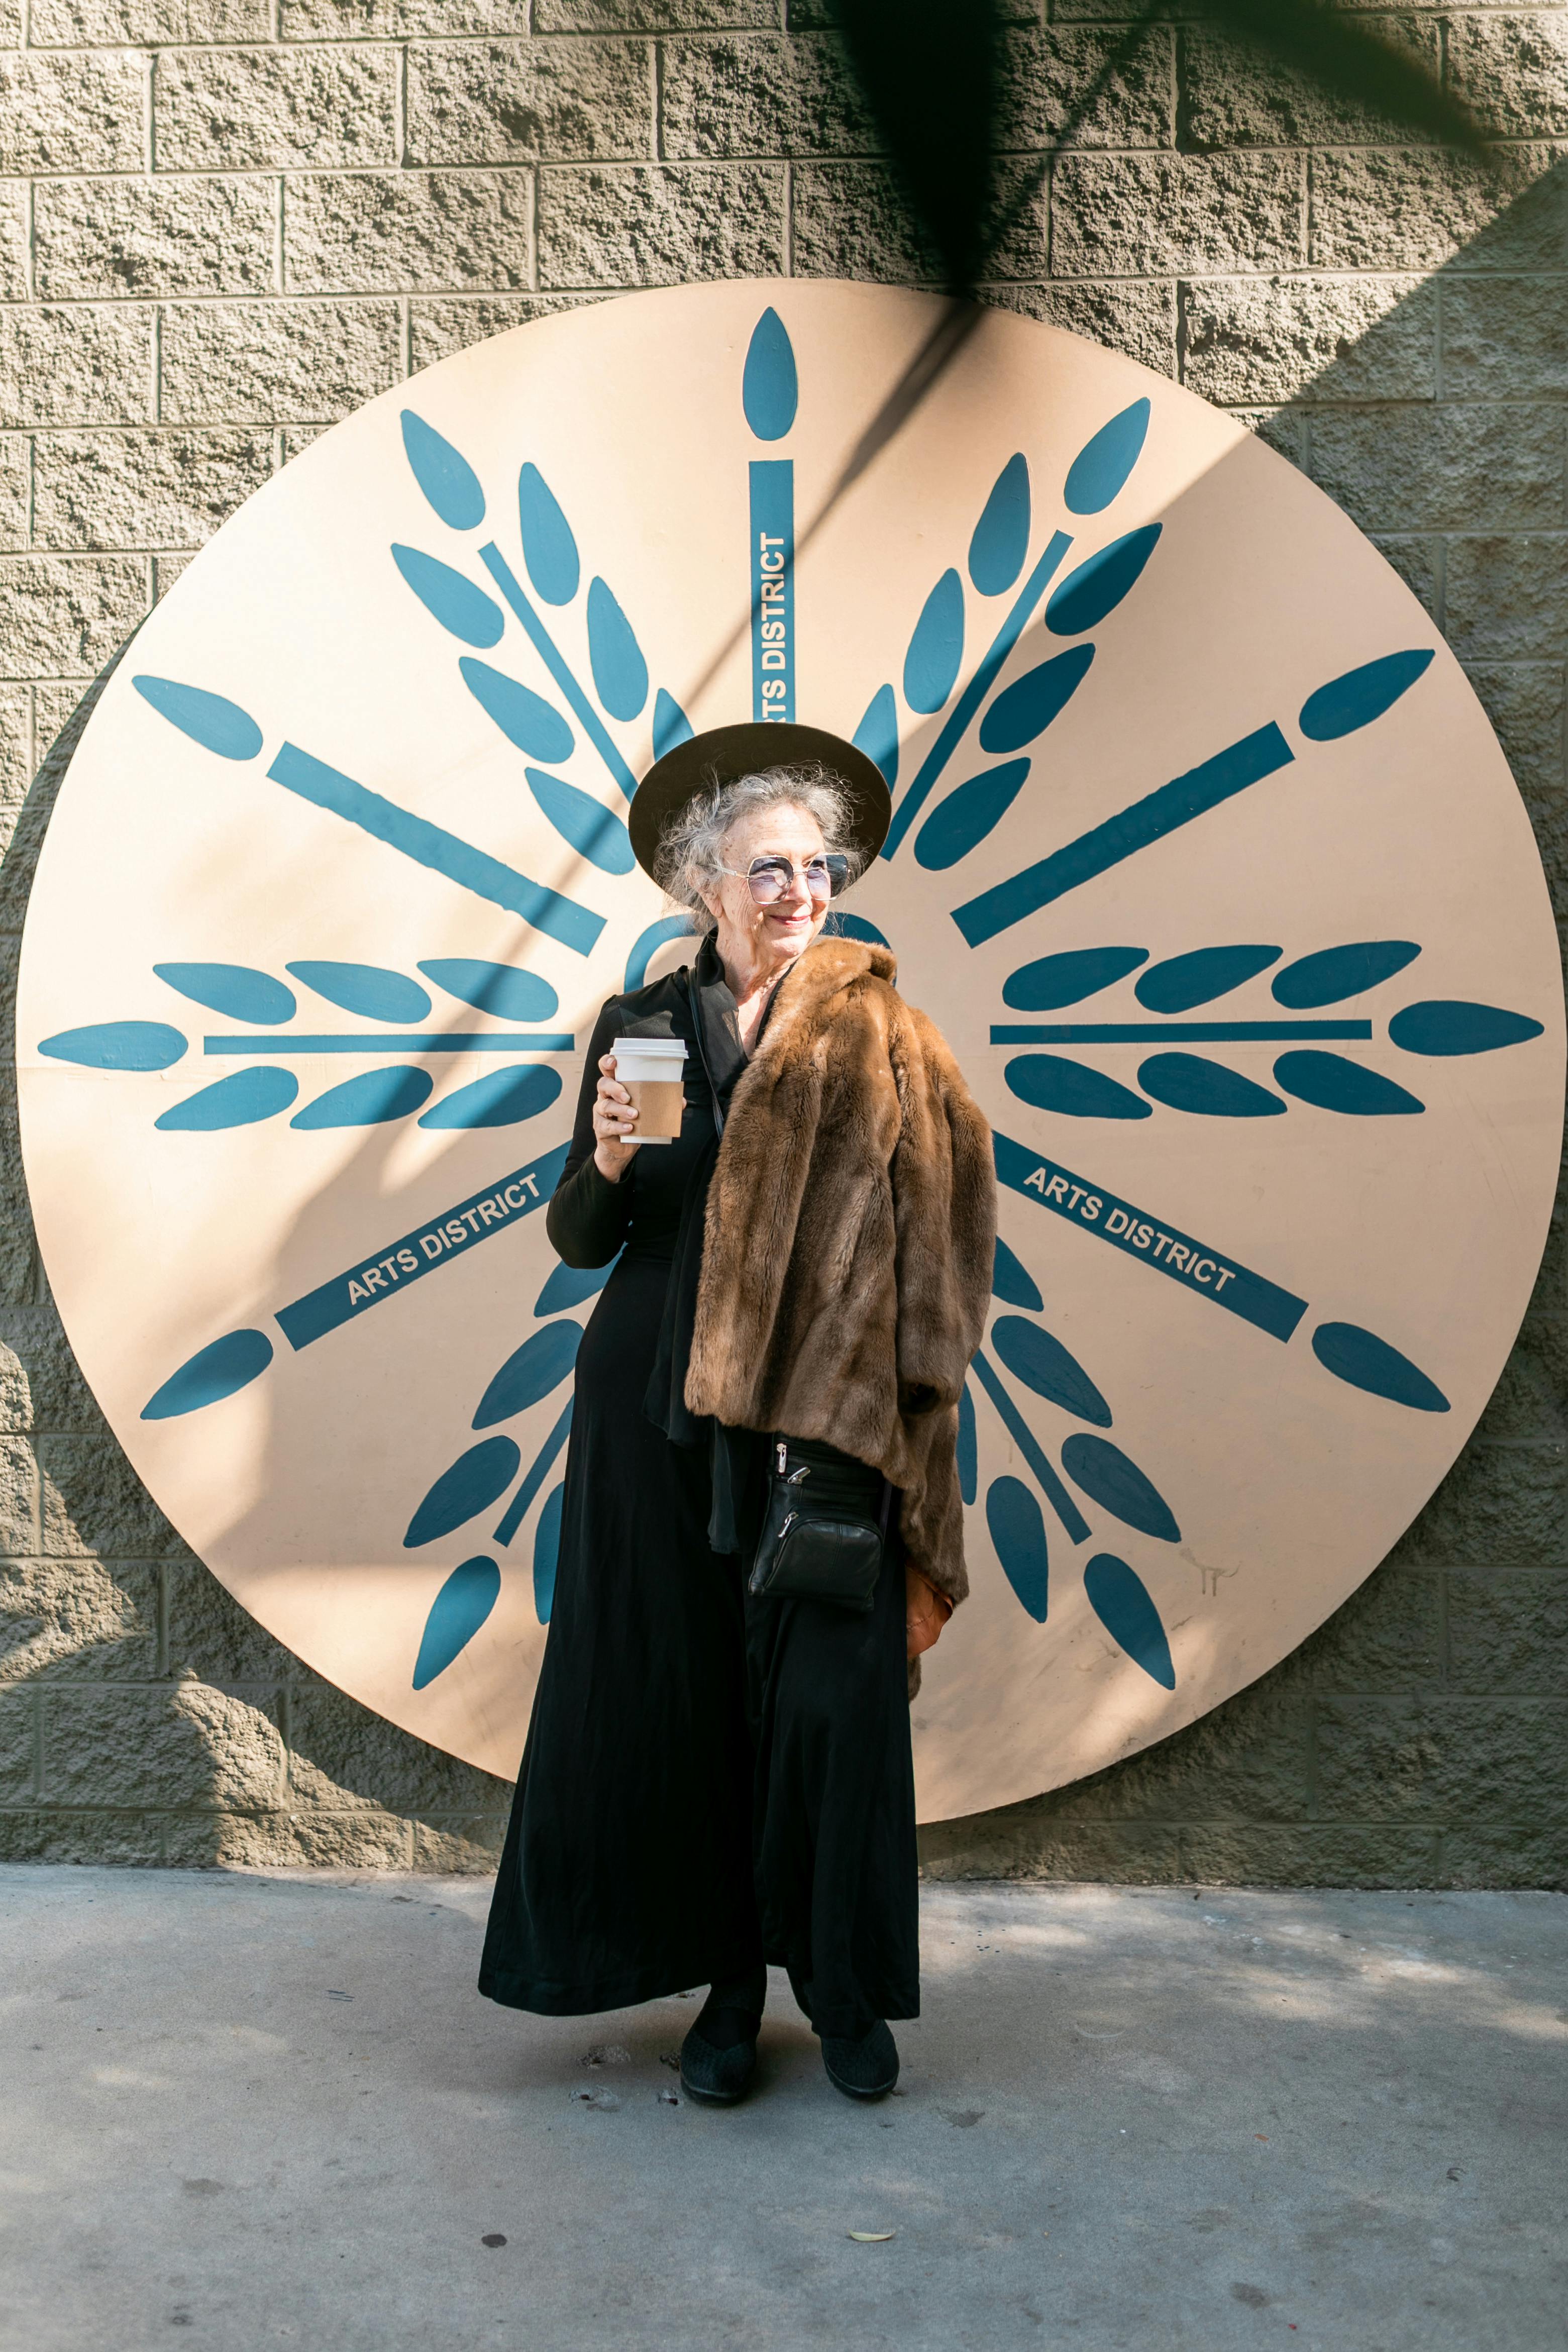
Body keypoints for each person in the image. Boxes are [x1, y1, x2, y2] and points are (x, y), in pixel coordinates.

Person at [479, 720, 995, 2105]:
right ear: (701, 882)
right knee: (682, 1695)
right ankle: (725, 1984)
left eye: (815, 866)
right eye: (768, 868)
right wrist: (596, 1158)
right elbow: (587, 1239)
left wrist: (901, 1400)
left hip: (821, 1410)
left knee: (827, 1700)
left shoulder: (880, 1027)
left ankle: (839, 1984)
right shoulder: (644, 1027)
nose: (798, 891)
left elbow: (941, 1233)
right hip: (648, 1401)